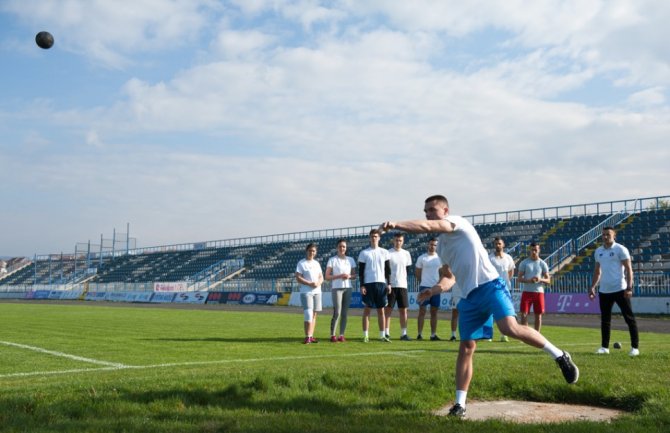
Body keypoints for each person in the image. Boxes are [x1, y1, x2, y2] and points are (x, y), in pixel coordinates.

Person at [379, 194, 579, 417]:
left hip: (490, 285)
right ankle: (460, 404)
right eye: (425, 211)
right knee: (466, 348)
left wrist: (397, 224)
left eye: (432, 210)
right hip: (468, 297)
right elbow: (450, 278)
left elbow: (428, 226)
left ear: (445, 211)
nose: (428, 214)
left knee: (509, 328)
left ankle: (560, 355)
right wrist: (434, 289)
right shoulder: (443, 247)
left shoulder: (458, 223)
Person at [588, 227, 640, 357]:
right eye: (604, 235)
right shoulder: (598, 251)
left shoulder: (620, 249)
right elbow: (597, 271)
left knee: (629, 318)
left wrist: (629, 288)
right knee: (605, 320)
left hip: (620, 289)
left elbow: (629, 269)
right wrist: (593, 286)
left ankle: (635, 347)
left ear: (614, 235)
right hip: (604, 291)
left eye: (608, 234)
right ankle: (604, 347)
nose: (605, 237)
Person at [358, 229, 392, 343]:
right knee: (367, 310)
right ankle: (365, 335)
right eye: (372, 236)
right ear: (369, 238)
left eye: (376, 236)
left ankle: (382, 335)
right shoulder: (364, 253)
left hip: (381, 284)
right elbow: (361, 272)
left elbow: (388, 270)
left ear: (379, 238)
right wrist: (362, 285)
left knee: (381, 310)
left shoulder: (385, 252)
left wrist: (389, 284)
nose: (374, 238)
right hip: (368, 284)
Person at [325, 239, 357, 342]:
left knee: (344, 313)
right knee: (337, 312)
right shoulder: (332, 260)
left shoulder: (350, 260)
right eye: (340, 246)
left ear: (346, 248)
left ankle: (341, 335)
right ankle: (333, 335)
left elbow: (354, 276)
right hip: (336, 288)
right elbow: (327, 276)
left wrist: (349, 276)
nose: (342, 248)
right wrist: (340, 276)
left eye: (343, 246)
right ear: (337, 248)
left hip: (348, 288)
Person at [385, 233, 412, 340]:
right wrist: (388, 283)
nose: (398, 242)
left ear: (403, 241)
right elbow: (386, 270)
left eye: (400, 240)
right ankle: (386, 333)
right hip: (391, 286)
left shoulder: (406, 254)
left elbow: (407, 269)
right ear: (393, 240)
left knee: (403, 310)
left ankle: (403, 333)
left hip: (402, 285)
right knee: (388, 309)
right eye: (396, 240)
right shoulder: (388, 253)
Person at [517, 243, 550, 332]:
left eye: (536, 250)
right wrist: (529, 280)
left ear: (539, 250)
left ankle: (537, 335)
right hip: (527, 291)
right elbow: (519, 278)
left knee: (538, 315)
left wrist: (540, 279)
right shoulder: (524, 263)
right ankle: (526, 335)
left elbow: (548, 280)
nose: (534, 252)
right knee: (524, 314)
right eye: (532, 250)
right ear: (529, 250)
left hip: (539, 292)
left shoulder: (542, 263)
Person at [295, 243, 324, 344]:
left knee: (314, 314)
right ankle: (307, 336)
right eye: (310, 250)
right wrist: (309, 283)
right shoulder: (301, 263)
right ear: (306, 251)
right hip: (306, 291)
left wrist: (318, 283)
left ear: (315, 252)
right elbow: (298, 277)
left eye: (313, 251)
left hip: (317, 291)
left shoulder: (317, 263)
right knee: (308, 313)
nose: (311, 252)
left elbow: (321, 277)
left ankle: (311, 336)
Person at [415, 238, 443, 341]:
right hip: (424, 287)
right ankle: (419, 334)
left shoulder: (440, 258)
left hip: (435, 288)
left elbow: (442, 272)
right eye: (431, 244)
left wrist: (438, 284)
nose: (432, 246)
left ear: (437, 246)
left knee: (434, 312)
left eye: (435, 245)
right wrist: (423, 282)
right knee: (422, 311)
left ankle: (433, 335)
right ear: (428, 245)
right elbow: (417, 272)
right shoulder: (422, 258)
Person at [489, 237, 516, 341]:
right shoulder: (490, 258)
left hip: (505, 289)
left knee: (504, 313)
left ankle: (504, 335)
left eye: (499, 243)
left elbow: (511, 272)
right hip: (492, 288)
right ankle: (489, 335)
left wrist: (504, 282)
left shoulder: (508, 258)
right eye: (496, 244)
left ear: (503, 244)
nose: (498, 245)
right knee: (490, 312)